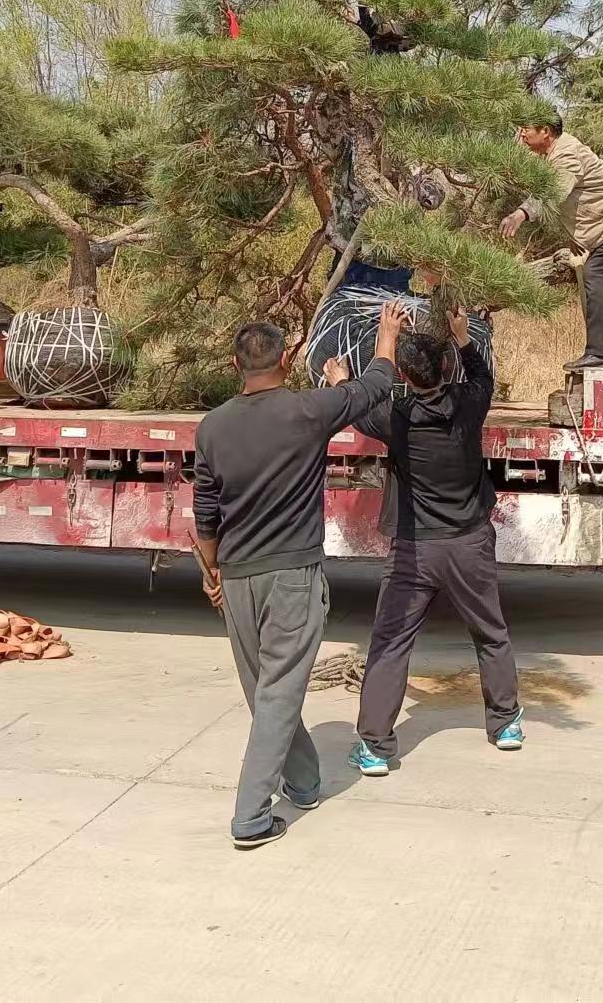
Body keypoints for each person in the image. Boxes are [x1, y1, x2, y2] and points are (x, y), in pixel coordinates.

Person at [192, 300, 408, 851]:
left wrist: (211, 570)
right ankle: (250, 816)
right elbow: (375, 386)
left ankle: (304, 782)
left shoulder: (212, 426)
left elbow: (205, 509)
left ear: (236, 364)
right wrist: (385, 335)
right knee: (278, 694)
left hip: (236, 576)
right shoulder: (307, 411)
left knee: (267, 691)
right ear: (286, 359)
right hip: (291, 576)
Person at [322, 305, 523, 771]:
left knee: (391, 642)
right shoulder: (471, 403)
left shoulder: (396, 417)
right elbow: (482, 373)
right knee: (491, 633)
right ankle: (505, 724)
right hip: (470, 542)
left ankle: (375, 747)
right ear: (446, 368)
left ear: (404, 377)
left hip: (415, 551)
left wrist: (347, 374)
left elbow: (359, 401)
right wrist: (463, 335)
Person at [500, 116, 603, 370]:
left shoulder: (566, 155)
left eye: (526, 129)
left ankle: (602, 355)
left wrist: (520, 214)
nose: (521, 134)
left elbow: (552, 194)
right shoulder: (548, 154)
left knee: (597, 274)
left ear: (545, 131)